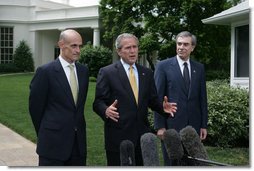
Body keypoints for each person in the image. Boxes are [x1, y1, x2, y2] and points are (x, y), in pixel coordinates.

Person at [93, 33, 177, 166]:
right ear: (119, 51)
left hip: (142, 138)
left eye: (135, 47)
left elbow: (152, 100)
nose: (132, 51)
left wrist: (163, 108)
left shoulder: (147, 73)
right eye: (128, 48)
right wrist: (106, 110)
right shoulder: (107, 72)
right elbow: (97, 102)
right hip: (118, 137)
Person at [29, 29, 89, 166]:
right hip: (52, 145)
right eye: (74, 45)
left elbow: (78, 107)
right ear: (61, 45)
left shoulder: (83, 71)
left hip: (78, 145)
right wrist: (47, 132)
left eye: (80, 46)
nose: (78, 50)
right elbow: (35, 108)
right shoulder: (45, 72)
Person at [154, 31, 208, 165]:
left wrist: (203, 125)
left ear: (192, 47)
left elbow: (202, 99)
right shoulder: (163, 66)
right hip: (171, 126)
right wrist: (160, 126)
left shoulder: (199, 68)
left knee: (193, 163)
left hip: (193, 127)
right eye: (179, 44)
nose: (181, 47)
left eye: (185, 44)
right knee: (173, 163)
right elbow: (158, 98)